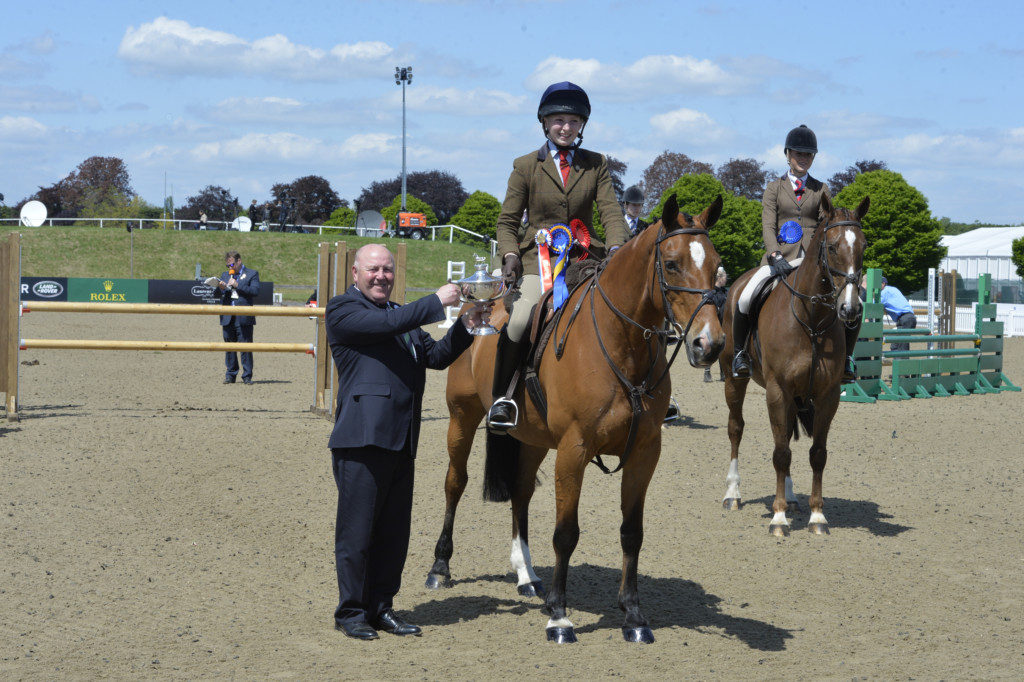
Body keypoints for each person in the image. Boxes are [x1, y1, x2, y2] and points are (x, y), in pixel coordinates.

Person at [325, 243, 488, 640]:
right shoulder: (343, 310)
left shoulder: (400, 316)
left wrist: (467, 324)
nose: (382, 276)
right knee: (357, 532)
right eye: (374, 269)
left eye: (387, 269)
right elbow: (381, 329)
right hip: (362, 439)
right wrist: (436, 300)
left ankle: (382, 608)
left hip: (402, 438)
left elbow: (433, 356)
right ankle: (351, 613)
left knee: (394, 533)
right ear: (355, 274)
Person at [488, 81, 629, 430]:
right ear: (545, 123)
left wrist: (615, 248)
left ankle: (642, 392)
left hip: (587, 259)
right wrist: (509, 254)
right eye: (558, 120)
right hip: (539, 261)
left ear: (582, 125)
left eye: (573, 121)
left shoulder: (596, 165)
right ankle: (503, 396)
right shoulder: (525, 166)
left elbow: (611, 212)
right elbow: (507, 221)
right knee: (521, 319)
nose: (565, 127)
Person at [730, 124, 858, 382]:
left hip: (813, 261)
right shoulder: (773, 188)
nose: (803, 159)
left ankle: (846, 360)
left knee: (858, 303)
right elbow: (768, 224)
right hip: (780, 259)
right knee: (745, 298)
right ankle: (740, 353)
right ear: (788, 155)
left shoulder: (821, 189)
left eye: (808, 155)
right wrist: (774, 254)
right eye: (798, 153)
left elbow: (827, 226)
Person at [217, 251, 260, 384]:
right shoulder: (225, 275)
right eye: (228, 265)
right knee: (229, 347)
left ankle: (247, 376)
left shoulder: (252, 274)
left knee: (245, 347)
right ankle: (230, 374)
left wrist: (237, 285)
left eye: (232, 265)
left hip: (244, 317)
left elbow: (255, 291)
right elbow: (216, 294)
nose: (230, 268)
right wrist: (220, 288)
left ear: (239, 261)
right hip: (228, 316)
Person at [863, 274, 917, 351]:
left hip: (904, 319)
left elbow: (873, 305)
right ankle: (899, 361)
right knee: (896, 345)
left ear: (883, 284)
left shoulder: (884, 292)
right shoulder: (892, 289)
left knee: (901, 346)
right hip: (907, 318)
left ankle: (901, 362)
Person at [704, 267, 729, 382]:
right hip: (713, 324)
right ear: (719, 278)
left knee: (722, 348)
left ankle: (723, 373)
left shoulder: (726, 292)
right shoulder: (711, 292)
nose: (726, 280)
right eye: (725, 277)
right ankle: (707, 372)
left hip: (723, 324)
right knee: (711, 347)